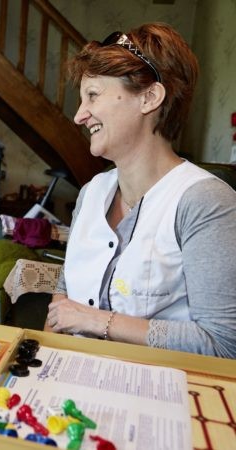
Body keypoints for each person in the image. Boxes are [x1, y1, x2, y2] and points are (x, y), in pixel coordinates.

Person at [44, 23, 236, 358]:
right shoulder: (92, 192)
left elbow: (223, 343)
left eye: (93, 95)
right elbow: (65, 293)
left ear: (149, 98)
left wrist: (98, 320)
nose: (78, 116)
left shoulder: (205, 202)